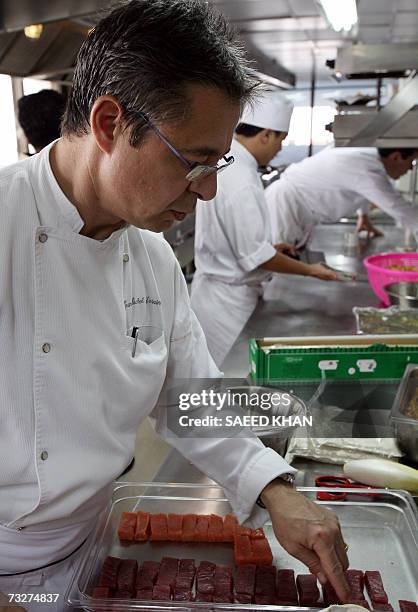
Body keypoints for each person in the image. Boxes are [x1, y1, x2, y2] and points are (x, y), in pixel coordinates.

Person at [0, 1, 350, 609]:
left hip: (90, 544)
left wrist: (276, 489)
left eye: (217, 164)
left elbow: (188, 397)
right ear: (109, 123)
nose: (209, 190)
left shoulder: (153, 259)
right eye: (191, 162)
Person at [191, 91, 339, 367]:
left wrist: (271, 248)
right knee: (211, 383)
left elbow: (241, 242)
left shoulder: (231, 163)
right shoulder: (242, 178)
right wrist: (311, 271)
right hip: (226, 306)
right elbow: (256, 258)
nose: (280, 149)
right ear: (266, 135)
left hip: (217, 293)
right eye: (281, 140)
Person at [265, 145, 418, 248]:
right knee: (275, 266)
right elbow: (400, 210)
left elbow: (363, 188)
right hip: (286, 210)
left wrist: (363, 216)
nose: (410, 170)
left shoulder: (365, 157)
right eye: (411, 162)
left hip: (294, 208)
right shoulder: (367, 169)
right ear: (397, 157)